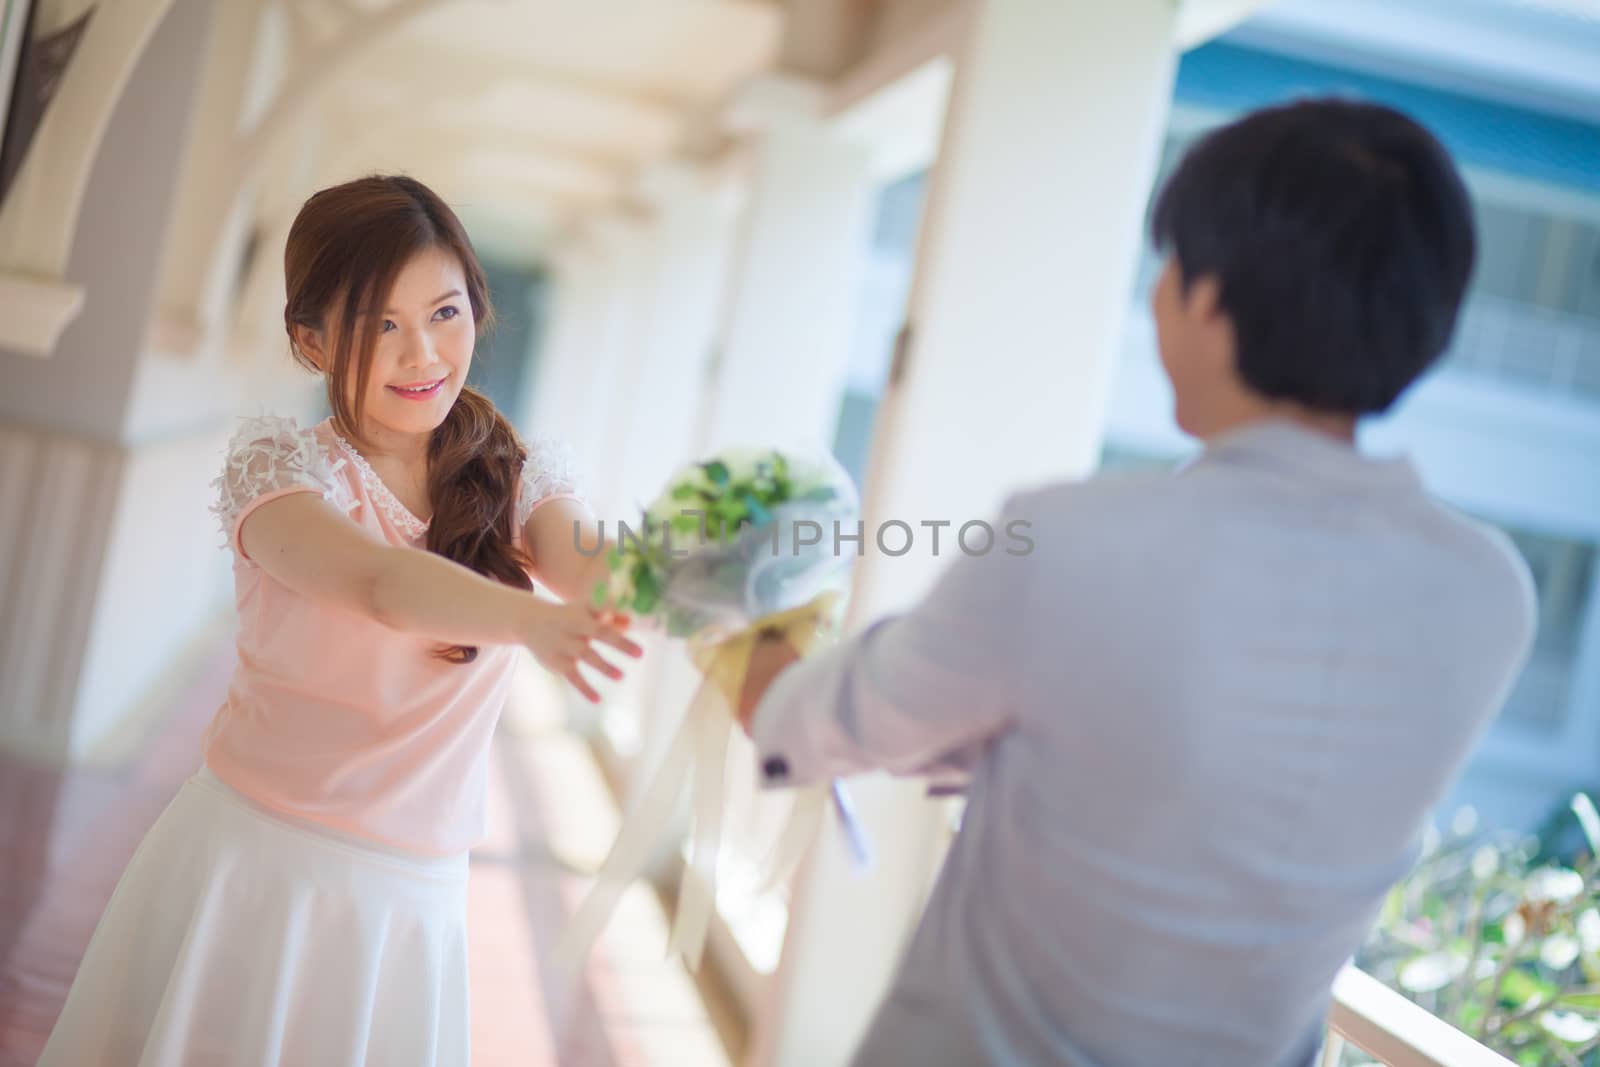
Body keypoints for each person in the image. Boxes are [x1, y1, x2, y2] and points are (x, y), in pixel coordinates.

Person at [737, 100, 1537, 1067]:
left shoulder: (1072, 540)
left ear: (1207, 299)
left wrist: (747, 618)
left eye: (1169, 269)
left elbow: (815, 722)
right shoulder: (1487, 597)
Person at [38, 175, 641, 1065]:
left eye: (444, 313)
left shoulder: (518, 476)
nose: (421, 353)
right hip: (254, 870)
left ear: (478, 308)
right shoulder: (280, 469)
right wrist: (534, 622)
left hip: (412, 899)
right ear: (311, 340)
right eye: (378, 324)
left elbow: (594, 563)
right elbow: (380, 584)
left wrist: (703, 575)